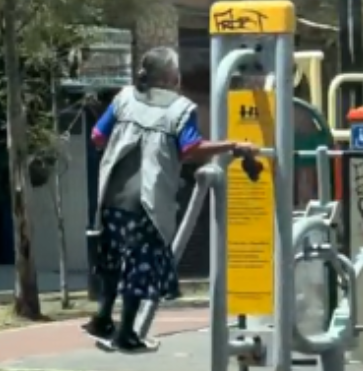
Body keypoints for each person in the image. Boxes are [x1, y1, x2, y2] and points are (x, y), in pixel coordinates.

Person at [83, 47, 255, 353]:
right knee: (139, 264)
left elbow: (97, 136)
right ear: (172, 77)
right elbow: (190, 149)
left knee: (111, 258)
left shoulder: (124, 98)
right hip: (146, 202)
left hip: (111, 196)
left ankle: (102, 318)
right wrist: (232, 145)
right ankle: (126, 334)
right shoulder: (181, 109)